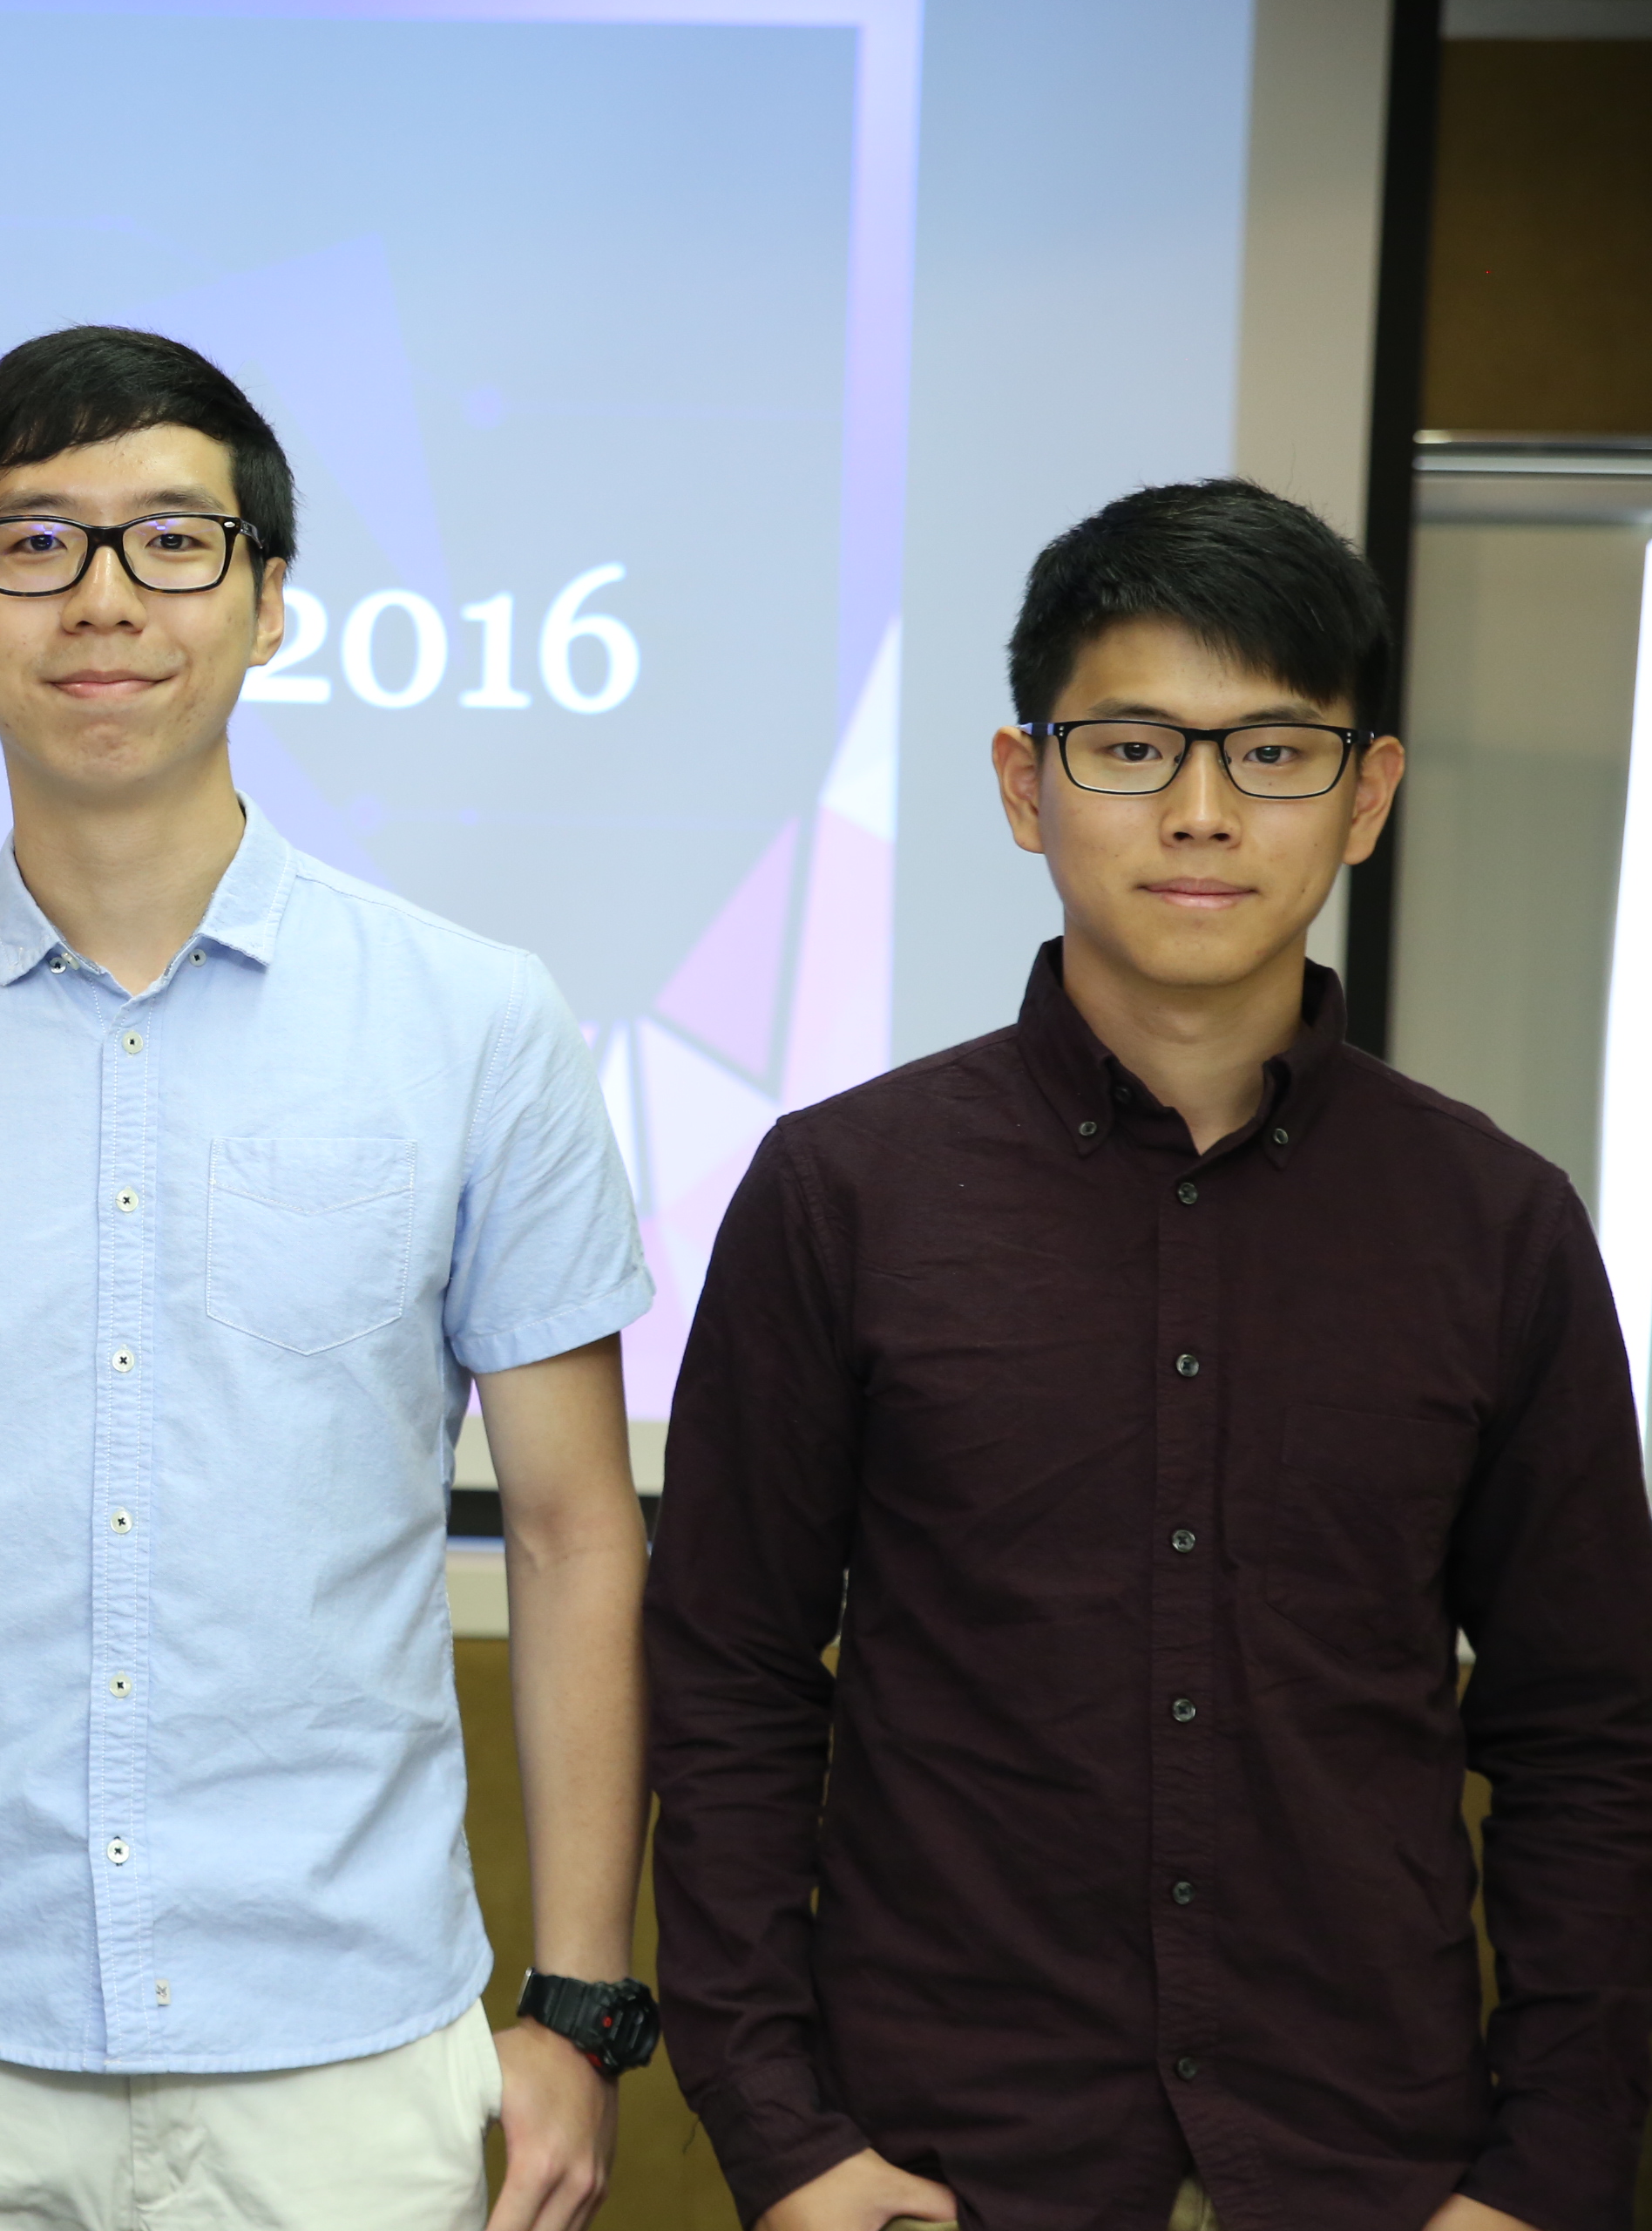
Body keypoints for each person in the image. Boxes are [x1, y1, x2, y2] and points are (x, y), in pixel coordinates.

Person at [0, 326, 659, 2231]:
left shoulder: (477, 1021)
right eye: (36, 544)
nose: (106, 600)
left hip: (349, 2050)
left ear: (271, 602)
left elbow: (570, 1528)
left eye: (171, 540)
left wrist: (575, 1999)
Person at [645, 479, 1652, 2231]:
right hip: (944, 2163)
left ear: (1370, 796)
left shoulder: (1497, 1222)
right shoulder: (845, 1190)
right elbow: (730, 1677)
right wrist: (783, 2132)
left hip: (1375, 2166)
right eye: (1130, 746)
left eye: (1273, 750)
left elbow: (1592, 1736)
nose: (1198, 811)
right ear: (1025, 781)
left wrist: (1547, 2175)